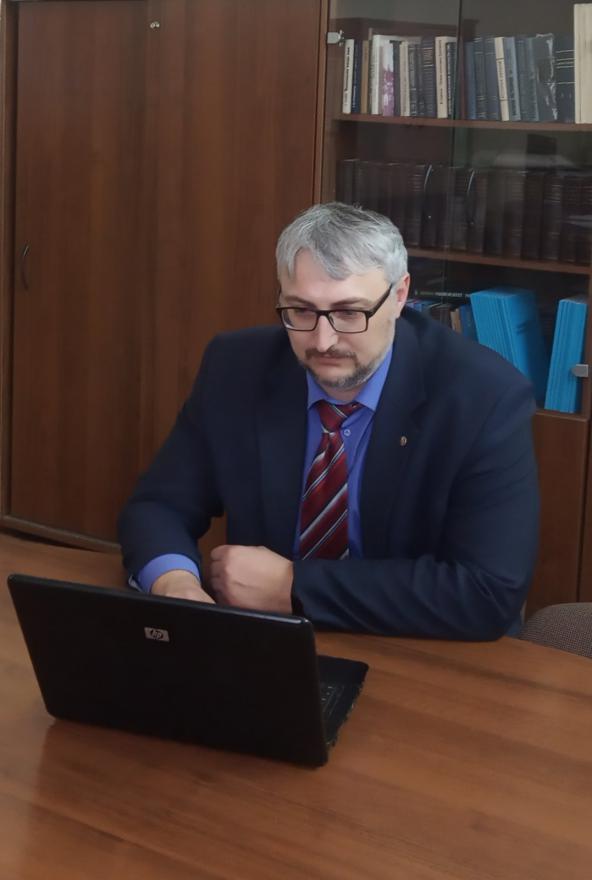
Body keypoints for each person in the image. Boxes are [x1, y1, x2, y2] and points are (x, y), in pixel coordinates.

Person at [118, 202, 539, 639]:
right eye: (301, 311)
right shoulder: (237, 368)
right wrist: (175, 585)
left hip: (422, 651)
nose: (323, 340)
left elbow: (487, 591)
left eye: (349, 312)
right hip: (270, 644)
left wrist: (294, 587)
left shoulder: (483, 397)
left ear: (399, 296)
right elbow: (159, 505)